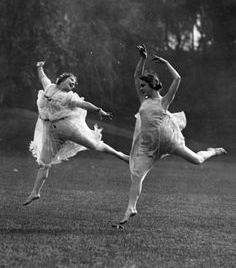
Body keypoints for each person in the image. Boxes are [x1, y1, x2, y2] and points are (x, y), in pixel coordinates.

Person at [113, 44, 226, 228]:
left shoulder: (163, 101)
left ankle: (212, 151)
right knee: (137, 175)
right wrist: (143, 58)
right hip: (149, 149)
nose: (141, 88)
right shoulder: (143, 101)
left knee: (197, 160)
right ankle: (131, 208)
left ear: (152, 85)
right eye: (141, 86)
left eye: (144, 86)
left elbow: (177, 78)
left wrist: (166, 63)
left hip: (170, 142)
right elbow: (135, 76)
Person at [23, 61, 129, 206]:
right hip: (51, 133)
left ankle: (121, 155)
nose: (73, 84)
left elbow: (83, 104)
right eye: (71, 80)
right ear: (62, 79)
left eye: (74, 83)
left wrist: (98, 110)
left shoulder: (69, 97)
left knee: (94, 145)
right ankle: (35, 192)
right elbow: (43, 77)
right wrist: (39, 67)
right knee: (43, 164)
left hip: (66, 127)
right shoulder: (49, 88)